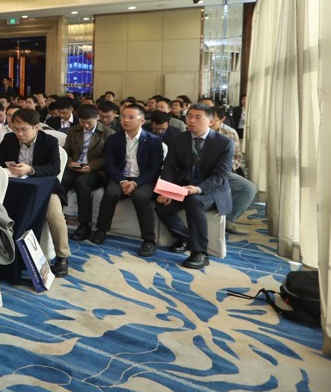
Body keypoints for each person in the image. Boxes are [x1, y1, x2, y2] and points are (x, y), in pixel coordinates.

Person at [155, 103, 234, 269]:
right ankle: (185, 237)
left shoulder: (224, 143)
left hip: (211, 189)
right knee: (162, 207)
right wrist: (167, 190)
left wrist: (198, 189)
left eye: (198, 117)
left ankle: (199, 252)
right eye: (189, 116)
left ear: (210, 122)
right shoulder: (179, 139)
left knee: (194, 201)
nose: (191, 121)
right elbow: (169, 166)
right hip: (184, 186)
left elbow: (220, 176)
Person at [0, 107, 68, 276]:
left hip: (46, 191)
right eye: (16, 129)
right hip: (15, 190)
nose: (19, 134)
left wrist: (31, 169)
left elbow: (54, 168)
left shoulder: (49, 141)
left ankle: (62, 256)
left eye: (24, 129)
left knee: (55, 215)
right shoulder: (9, 138)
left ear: (36, 127)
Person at [92, 104, 165, 256]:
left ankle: (149, 240)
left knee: (140, 196)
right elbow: (110, 164)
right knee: (110, 194)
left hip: (143, 179)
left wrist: (136, 183)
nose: (125, 120)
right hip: (121, 177)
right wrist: (122, 181)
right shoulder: (114, 139)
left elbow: (155, 169)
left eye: (131, 117)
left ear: (142, 121)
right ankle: (101, 230)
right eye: (123, 116)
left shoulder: (153, 141)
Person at [65, 105, 115, 241]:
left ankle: (84, 224)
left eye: (89, 122)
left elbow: (108, 157)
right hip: (75, 167)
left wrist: (90, 167)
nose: (85, 125)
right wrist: (71, 163)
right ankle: (56, 217)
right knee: (60, 180)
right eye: (82, 122)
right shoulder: (73, 131)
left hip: (96, 171)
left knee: (82, 182)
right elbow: (66, 151)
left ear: (97, 118)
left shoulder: (108, 133)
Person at [208, 106, 257, 231]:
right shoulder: (193, 130)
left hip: (223, 172)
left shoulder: (229, 133)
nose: (209, 122)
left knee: (248, 188)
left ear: (222, 119)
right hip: (199, 172)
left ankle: (227, 219)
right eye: (207, 118)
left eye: (213, 120)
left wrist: (223, 171)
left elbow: (236, 158)